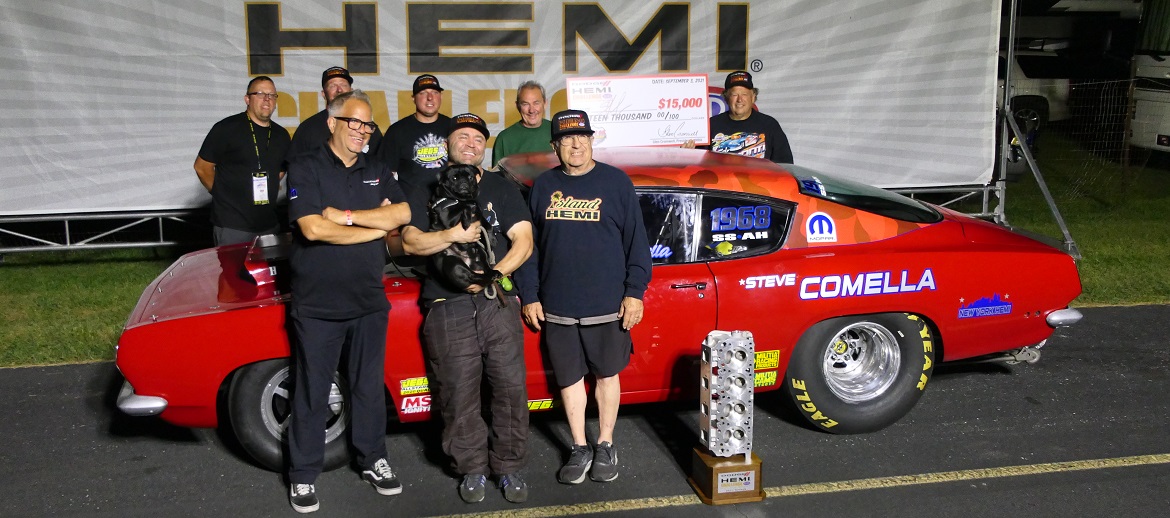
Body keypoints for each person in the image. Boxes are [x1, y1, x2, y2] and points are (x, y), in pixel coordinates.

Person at [284, 90, 412, 514]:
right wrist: (374, 228)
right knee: (312, 391)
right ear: (332, 122)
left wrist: (348, 216)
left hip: (368, 300)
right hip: (318, 304)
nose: (362, 131)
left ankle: (373, 458)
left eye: (368, 125)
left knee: (367, 389)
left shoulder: (377, 168)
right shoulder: (304, 165)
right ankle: (303, 475)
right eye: (355, 123)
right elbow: (313, 229)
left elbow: (403, 215)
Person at [400, 113, 534, 504]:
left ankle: (508, 467)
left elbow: (522, 241)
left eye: (477, 138)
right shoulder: (423, 187)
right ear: (447, 145)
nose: (470, 143)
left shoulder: (500, 187)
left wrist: (493, 275)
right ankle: (472, 469)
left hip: (496, 303)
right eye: (462, 136)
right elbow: (409, 242)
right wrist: (450, 236)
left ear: (484, 146)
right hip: (447, 305)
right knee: (458, 392)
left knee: (510, 387)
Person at [518, 109, 652, 485]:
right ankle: (579, 446)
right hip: (557, 306)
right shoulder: (543, 186)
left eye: (582, 137)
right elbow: (531, 248)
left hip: (607, 305)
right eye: (566, 139)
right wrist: (530, 294)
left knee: (607, 375)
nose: (576, 144)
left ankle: (606, 443)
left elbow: (637, 245)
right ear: (555, 145)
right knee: (569, 379)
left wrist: (634, 293)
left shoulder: (616, 182)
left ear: (592, 140)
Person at [194, 76, 291, 245]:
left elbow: (280, 169)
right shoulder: (226, 128)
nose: (267, 99)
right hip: (233, 225)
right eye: (260, 94)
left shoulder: (281, 135)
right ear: (247, 99)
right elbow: (202, 167)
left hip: (268, 224)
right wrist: (221, 195)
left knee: (268, 271)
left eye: (272, 95)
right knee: (233, 271)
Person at [683, 70, 793, 164]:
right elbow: (698, 166)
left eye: (744, 94)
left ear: (753, 97)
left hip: (757, 188)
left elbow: (785, 165)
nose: (740, 100)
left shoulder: (769, 124)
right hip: (721, 187)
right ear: (726, 98)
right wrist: (687, 155)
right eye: (734, 95)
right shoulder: (711, 125)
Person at [378, 74, 452, 196]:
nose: (430, 97)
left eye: (435, 92)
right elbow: (385, 176)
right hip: (412, 210)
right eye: (423, 93)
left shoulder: (454, 128)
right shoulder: (397, 131)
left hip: (449, 208)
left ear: (441, 96)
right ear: (413, 98)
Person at [289, 66, 384, 158]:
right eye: (332, 86)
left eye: (343, 85)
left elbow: (381, 165)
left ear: (351, 90)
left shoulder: (368, 128)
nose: (339, 90)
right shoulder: (307, 129)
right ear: (323, 94)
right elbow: (296, 166)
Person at [490, 81, 552, 168]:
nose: (532, 110)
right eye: (525, 104)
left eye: (536, 103)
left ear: (545, 103)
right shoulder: (505, 138)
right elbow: (497, 178)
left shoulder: (558, 131)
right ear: (517, 106)